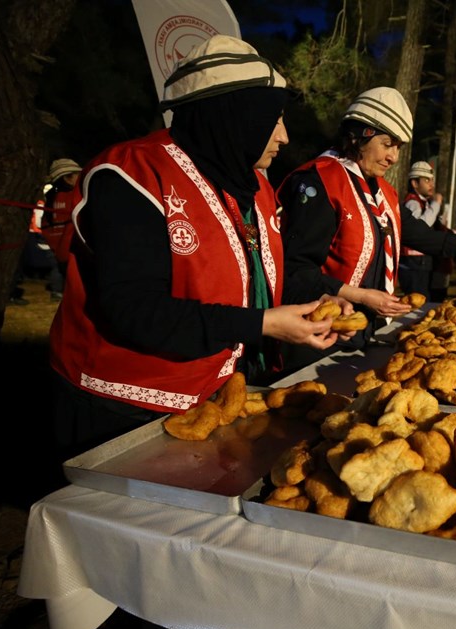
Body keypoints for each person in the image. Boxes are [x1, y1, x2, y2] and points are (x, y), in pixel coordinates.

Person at [48, 35, 344, 461]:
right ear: (234, 115)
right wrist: (262, 324)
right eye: (272, 118)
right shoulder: (133, 175)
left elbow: (256, 279)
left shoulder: (253, 185)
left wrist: (321, 303)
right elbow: (134, 308)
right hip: (122, 406)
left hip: (209, 393)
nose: (283, 135)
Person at [278, 88, 456, 370]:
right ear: (360, 136)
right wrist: (360, 296)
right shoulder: (319, 182)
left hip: (364, 332)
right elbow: (294, 272)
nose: (393, 157)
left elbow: (426, 238)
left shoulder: (384, 193)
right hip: (319, 336)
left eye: (398, 148)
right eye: (387, 144)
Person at [398, 160, 444, 297]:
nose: (432, 184)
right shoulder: (413, 202)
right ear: (415, 183)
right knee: (418, 298)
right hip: (414, 262)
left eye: (432, 180)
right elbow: (421, 225)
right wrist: (436, 205)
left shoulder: (422, 202)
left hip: (419, 261)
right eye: (426, 180)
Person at [41, 158, 84, 300]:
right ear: (67, 178)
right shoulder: (76, 196)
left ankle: (59, 292)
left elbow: (46, 226)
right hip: (71, 248)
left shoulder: (50, 197)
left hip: (55, 246)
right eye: (77, 174)